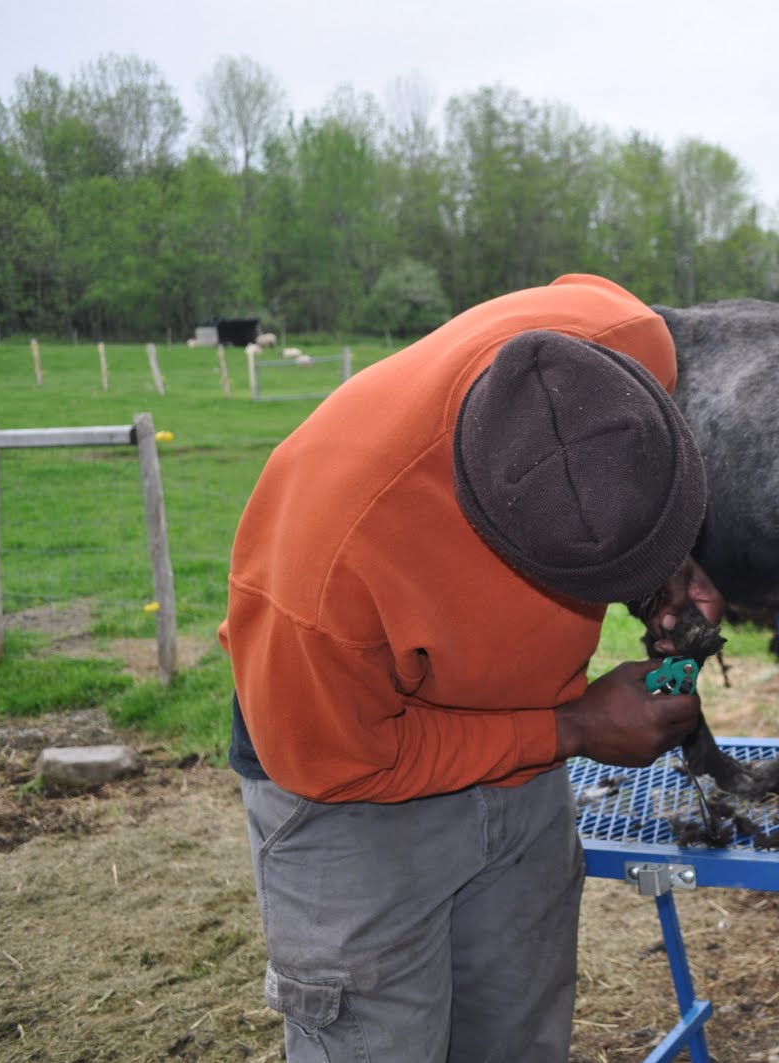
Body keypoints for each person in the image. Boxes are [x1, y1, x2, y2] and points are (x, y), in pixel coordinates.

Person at [218, 273, 724, 1062]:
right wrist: (574, 726)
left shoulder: (624, 336)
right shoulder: (326, 576)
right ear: (495, 542)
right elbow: (342, 761)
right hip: (357, 799)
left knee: (518, 1038)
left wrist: (658, 564)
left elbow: (591, 472)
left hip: (523, 776)